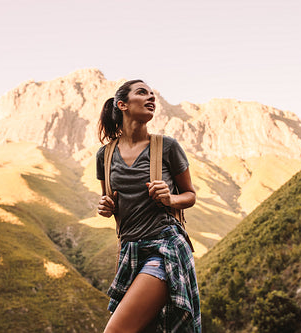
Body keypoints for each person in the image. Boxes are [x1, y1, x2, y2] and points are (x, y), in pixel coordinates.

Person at [96, 79, 201, 332]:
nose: (151, 97)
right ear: (122, 104)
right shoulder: (105, 155)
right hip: (129, 252)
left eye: (153, 94)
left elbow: (190, 195)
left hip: (164, 248)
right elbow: (110, 202)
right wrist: (106, 206)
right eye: (142, 93)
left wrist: (170, 199)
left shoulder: (167, 147)